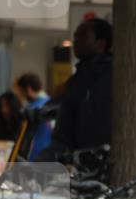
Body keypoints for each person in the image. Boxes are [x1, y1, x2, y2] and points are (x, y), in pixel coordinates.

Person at [38, 17, 113, 160]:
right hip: (83, 164)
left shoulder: (114, 78)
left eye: (83, 36)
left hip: (104, 162)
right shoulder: (77, 80)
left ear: (101, 44)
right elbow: (63, 132)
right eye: (75, 36)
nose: (76, 41)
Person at [14, 72, 53, 161]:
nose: (21, 95)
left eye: (22, 92)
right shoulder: (51, 103)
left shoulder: (32, 109)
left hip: (35, 156)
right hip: (51, 156)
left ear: (29, 89)